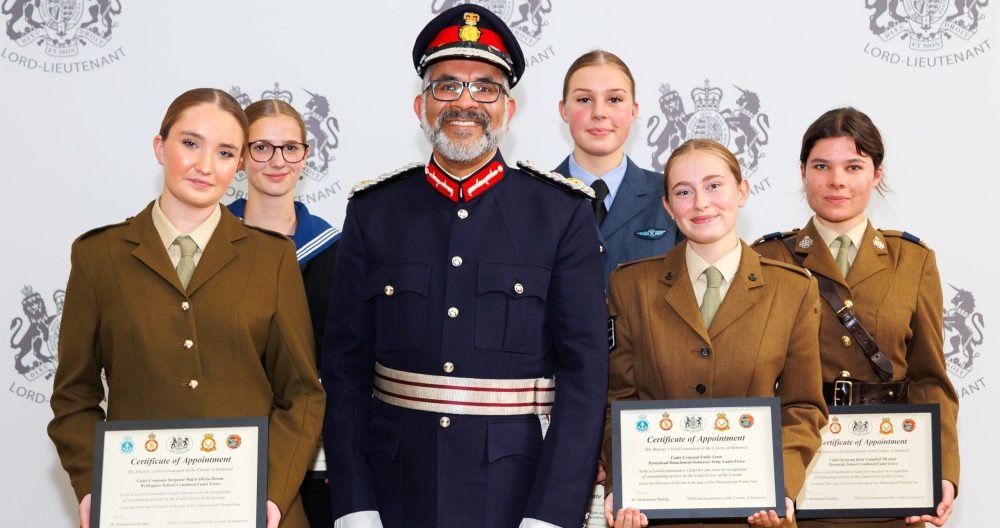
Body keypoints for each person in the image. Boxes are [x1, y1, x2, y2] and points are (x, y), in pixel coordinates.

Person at [322, 5, 608, 528]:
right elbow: (344, 370)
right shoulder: (374, 211)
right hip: (394, 493)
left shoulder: (560, 214)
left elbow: (584, 377)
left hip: (516, 496)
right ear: (421, 105)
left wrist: (551, 514)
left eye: (486, 88)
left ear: (509, 109)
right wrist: (355, 505)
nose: (465, 102)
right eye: (447, 86)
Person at [47, 88, 326, 528]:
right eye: (191, 143)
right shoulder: (98, 257)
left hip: (256, 512)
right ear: (160, 147)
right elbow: (74, 396)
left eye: (225, 152)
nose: (205, 165)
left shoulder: (272, 258)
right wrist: (92, 484)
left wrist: (272, 494)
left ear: (238, 165)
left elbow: (303, 395)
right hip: (137, 511)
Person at [603, 139, 827, 528]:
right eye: (683, 192)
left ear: (742, 191)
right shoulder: (631, 286)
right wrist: (621, 485)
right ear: (668, 207)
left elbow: (803, 406)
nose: (701, 203)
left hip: (756, 514)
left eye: (714, 185)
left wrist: (782, 487)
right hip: (655, 515)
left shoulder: (792, 289)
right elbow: (615, 402)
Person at [753, 107, 959, 528]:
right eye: (821, 166)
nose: (837, 180)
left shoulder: (913, 260)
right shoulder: (766, 259)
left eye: (853, 166)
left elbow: (929, 377)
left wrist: (941, 470)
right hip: (792, 480)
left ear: (877, 174)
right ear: (802, 172)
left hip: (890, 478)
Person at [227, 98, 340, 527]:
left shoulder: (337, 251)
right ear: (240, 156)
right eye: (261, 147)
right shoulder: (208, 245)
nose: (277, 161)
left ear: (306, 156)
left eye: (290, 148)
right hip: (223, 454)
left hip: (313, 458)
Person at [555, 50, 682, 279]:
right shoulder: (533, 197)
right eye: (584, 99)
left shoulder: (670, 194)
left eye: (614, 100)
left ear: (633, 111)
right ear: (564, 110)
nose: (599, 113)